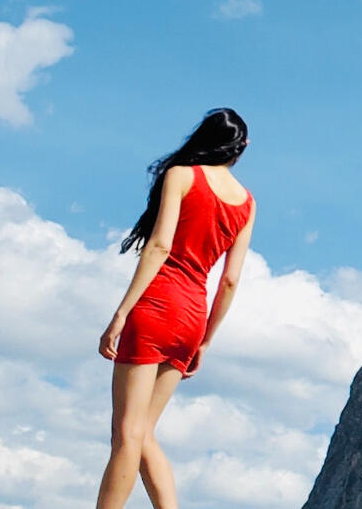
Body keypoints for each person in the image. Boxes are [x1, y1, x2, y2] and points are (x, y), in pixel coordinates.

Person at [94, 108, 257, 509]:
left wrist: (120, 314)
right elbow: (231, 280)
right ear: (243, 147)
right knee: (145, 433)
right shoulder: (247, 204)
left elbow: (160, 245)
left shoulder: (182, 175)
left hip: (157, 303)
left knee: (127, 433)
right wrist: (204, 341)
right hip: (191, 318)